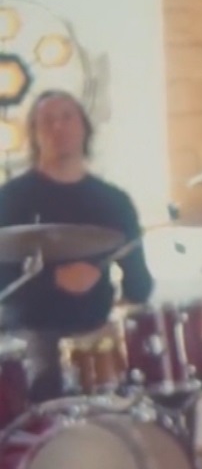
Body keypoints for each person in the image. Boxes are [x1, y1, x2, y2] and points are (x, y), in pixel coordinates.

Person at [0, 89, 154, 402]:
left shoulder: (114, 201)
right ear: (34, 134)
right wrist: (53, 280)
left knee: (146, 387)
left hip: (97, 332)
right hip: (33, 332)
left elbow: (139, 286)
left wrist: (127, 291)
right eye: (48, 121)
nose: (59, 127)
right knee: (43, 381)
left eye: (67, 117)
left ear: (84, 127)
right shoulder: (12, 198)